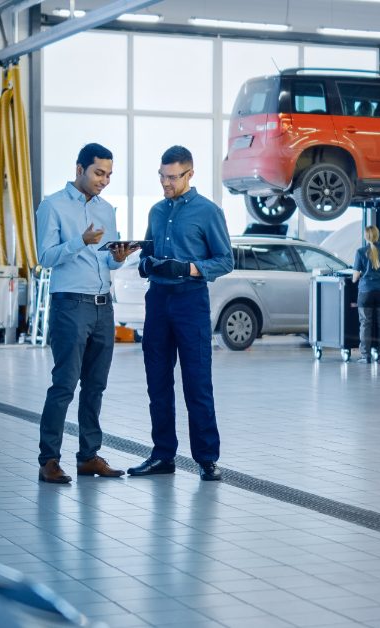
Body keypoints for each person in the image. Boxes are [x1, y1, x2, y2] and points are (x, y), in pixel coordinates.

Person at [127, 146, 233, 481]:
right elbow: (149, 249)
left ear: (190, 174)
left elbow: (225, 260)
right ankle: (162, 455)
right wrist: (145, 263)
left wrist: (188, 268)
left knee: (196, 383)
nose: (166, 183)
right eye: (162, 176)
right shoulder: (156, 212)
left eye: (173, 177)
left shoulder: (208, 212)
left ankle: (206, 459)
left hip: (190, 302)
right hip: (157, 301)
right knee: (157, 382)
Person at [35, 143, 135, 484]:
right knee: (64, 384)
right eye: (98, 173)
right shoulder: (52, 206)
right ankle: (49, 460)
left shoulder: (107, 209)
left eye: (109, 174)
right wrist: (80, 241)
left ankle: (88, 456)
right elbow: (45, 258)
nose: (104, 180)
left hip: (103, 306)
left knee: (95, 386)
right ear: (80, 169)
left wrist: (118, 257)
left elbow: (106, 258)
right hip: (70, 305)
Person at [353, 225, 380, 364]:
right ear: (377, 235)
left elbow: (355, 276)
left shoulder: (360, 252)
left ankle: (366, 356)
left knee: (365, 324)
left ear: (366, 236)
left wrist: (359, 276)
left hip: (366, 292)